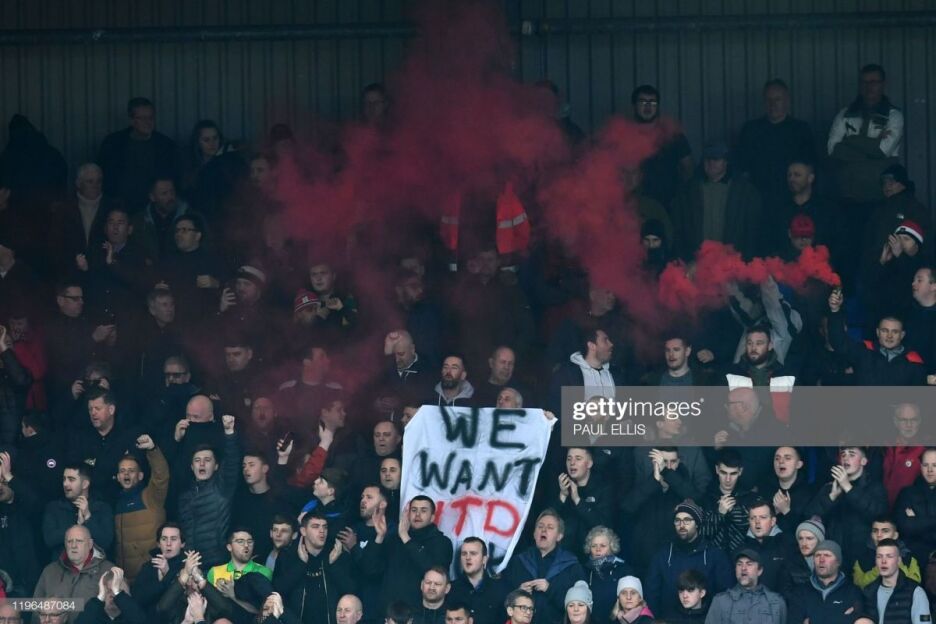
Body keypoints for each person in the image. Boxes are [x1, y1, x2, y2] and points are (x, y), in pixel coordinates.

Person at [670, 140, 763, 260]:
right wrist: (685, 259)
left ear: (726, 161)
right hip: (696, 262)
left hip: (733, 263)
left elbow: (752, 233)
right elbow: (678, 230)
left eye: (716, 159)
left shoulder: (746, 193)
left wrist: (745, 261)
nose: (711, 163)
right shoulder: (687, 192)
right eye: (707, 159)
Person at [359, 496, 454, 613]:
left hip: (420, 614)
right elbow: (370, 570)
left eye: (423, 511)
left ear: (432, 517)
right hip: (388, 611)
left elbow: (434, 573)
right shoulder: (394, 539)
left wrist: (405, 537)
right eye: (414, 510)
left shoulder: (442, 542)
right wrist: (379, 536)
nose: (417, 514)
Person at [828, 64, 904, 204]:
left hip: (881, 195)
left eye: (874, 82)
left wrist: (850, 140)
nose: (869, 86)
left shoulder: (894, 116)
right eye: (864, 82)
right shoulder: (845, 114)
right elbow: (833, 150)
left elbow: (882, 151)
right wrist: (872, 148)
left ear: (883, 84)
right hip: (848, 194)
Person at [805, 446, 888, 571]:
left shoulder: (875, 487)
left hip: (864, 557)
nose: (846, 458)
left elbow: (879, 514)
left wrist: (848, 488)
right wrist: (831, 497)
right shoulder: (830, 487)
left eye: (852, 454)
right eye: (843, 455)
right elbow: (808, 516)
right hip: (835, 556)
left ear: (864, 461)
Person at [645, 501, 733, 618]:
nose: (681, 525)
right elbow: (652, 593)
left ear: (697, 523)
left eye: (687, 520)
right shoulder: (663, 555)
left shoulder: (715, 555)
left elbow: (725, 594)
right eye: (677, 520)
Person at [737, 79, 815, 209]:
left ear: (787, 101)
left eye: (777, 99)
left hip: (791, 200)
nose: (772, 104)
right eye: (768, 100)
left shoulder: (801, 130)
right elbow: (742, 167)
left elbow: (810, 166)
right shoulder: (751, 130)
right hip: (758, 199)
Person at [177, 413, 242, 567]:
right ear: (192, 467)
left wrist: (229, 432)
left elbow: (232, 462)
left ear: (216, 466)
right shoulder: (184, 497)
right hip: (191, 564)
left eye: (207, 460)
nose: (202, 464)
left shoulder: (222, 488)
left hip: (216, 563)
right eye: (197, 460)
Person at [827, 289, 926, 386]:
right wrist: (835, 310)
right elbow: (839, 342)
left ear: (902, 335)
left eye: (895, 332)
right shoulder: (864, 351)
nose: (889, 336)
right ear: (878, 332)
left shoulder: (914, 362)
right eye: (885, 331)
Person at [503, 510, 585, 624]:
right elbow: (503, 598)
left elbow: (581, 607)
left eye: (550, 527)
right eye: (540, 526)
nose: (544, 530)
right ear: (534, 534)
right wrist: (518, 592)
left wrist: (550, 589)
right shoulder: (518, 562)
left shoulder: (571, 565)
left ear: (559, 536)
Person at [272, 510, 354, 624]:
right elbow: (277, 591)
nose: (322, 531)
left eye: (325, 527)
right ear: (303, 531)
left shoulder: (337, 554)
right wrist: (301, 565)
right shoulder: (288, 555)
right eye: (315, 526)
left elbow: (351, 591)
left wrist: (332, 566)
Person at [98, 97, 179, 213]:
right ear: (131, 120)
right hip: (121, 209)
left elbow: (174, 180)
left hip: (155, 210)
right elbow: (103, 178)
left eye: (151, 117)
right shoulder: (113, 144)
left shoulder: (166, 146)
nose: (148, 122)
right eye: (142, 118)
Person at [113, 434, 170, 583]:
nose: (126, 474)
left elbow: (161, 476)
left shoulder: (150, 496)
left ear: (140, 476)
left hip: (149, 576)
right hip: (125, 580)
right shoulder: (116, 502)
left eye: (131, 470)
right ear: (118, 477)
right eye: (122, 471)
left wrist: (152, 450)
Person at [631, 84, 693, 208]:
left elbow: (688, 169)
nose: (648, 106)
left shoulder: (673, 135)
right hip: (634, 207)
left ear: (658, 106)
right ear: (634, 105)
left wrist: (682, 198)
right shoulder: (624, 135)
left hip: (669, 206)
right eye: (642, 102)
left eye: (652, 102)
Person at [42, 463, 114, 560]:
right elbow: (49, 540)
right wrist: (77, 526)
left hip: (94, 567)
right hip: (62, 567)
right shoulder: (54, 508)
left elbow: (105, 542)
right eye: (64, 479)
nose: (65, 484)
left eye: (71, 479)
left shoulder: (102, 508)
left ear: (85, 484)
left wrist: (88, 518)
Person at [787, 540, 863, 624]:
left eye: (827, 555)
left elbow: (859, 620)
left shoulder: (852, 592)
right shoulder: (800, 592)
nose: (821, 560)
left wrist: (813, 621)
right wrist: (840, 617)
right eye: (817, 555)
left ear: (838, 562)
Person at [34, 524, 115, 601]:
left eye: (79, 541)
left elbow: (114, 608)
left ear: (90, 544)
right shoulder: (50, 571)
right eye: (69, 541)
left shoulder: (108, 570)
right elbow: (35, 607)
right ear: (65, 544)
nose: (73, 546)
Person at [704, 550, 786, 624]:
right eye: (739, 564)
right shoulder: (720, 602)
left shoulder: (776, 602)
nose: (743, 568)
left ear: (759, 570)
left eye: (749, 564)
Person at [861, 539, 931, 623]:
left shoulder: (915, 592)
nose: (883, 561)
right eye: (879, 557)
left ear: (898, 561)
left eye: (889, 556)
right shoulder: (868, 591)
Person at [448, 537, 508, 624]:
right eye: (464, 554)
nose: (468, 557)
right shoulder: (450, 589)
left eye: (473, 553)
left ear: (484, 560)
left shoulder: (500, 590)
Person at [852, 516, 921, 590]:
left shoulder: (908, 557)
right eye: (875, 531)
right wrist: (876, 571)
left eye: (885, 531)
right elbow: (858, 585)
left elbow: (914, 585)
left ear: (895, 535)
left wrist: (897, 566)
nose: (879, 535)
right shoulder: (862, 557)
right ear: (871, 534)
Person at [894, 447, 936, 566]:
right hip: (913, 559)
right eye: (926, 465)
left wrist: (917, 520)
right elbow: (904, 527)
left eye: (935, 465)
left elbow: (912, 526)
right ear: (920, 466)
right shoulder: (907, 493)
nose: (930, 470)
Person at [581, 527, 631, 624]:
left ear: (612, 547)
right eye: (594, 546)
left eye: (603, 546)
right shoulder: (584, 570)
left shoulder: (623, 569)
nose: (598, 549)